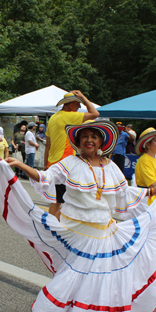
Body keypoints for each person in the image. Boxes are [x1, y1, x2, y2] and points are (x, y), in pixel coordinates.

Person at [0, 120, 156, 312]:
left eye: (94, 136)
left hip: (104, 230)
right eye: (85, 136)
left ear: (101, 141)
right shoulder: (69, 162)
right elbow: (46, 178)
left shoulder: (111, 166)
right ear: (79, 141)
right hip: (76, 231)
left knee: (98, 278)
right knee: (82, 275)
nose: (89, 140)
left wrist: (151, 190)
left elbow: (124, 194)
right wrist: (20, 165)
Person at [43, 91, 100, 219]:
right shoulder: (68, 116)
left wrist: (45, 164)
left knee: (58, 200)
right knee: (65, 199)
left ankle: (50, 225)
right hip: (65, 163)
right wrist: (83, 97)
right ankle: (51, 226)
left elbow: (48, 145)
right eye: (78, 105)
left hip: (53, 162)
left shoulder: (53, 118)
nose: (79, 108)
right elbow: (95, 114)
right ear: (70, 106)